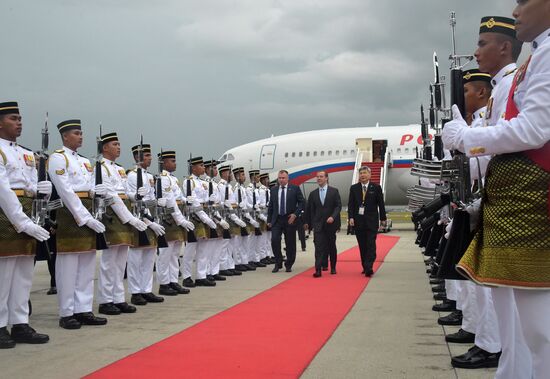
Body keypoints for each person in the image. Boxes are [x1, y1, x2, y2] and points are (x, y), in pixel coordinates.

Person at [443, 2, 550, 377]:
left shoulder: (537, 61)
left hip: (530, 204)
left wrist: (466, 138)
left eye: (523, 1)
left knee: (537, 331)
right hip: (513, 202)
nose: (517, 8)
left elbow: (534, 131)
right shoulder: (533, 60)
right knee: (526, 327)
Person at [47, 119, 108, 329]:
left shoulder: (84, 161)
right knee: (68, 267)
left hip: (87, 210)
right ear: (65, 136)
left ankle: (83, 309)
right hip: (69, 213)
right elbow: (65, 190)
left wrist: (94, 192)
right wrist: (84, 217)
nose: (80, 136)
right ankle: (67, 312)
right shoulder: (57, 158)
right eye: (76, 133)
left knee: (87, 266)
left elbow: (89, 185)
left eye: (81, 133)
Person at [0, 101, 51, 348]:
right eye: (13, 118)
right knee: (3, 273)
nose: (19, 122)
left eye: (20, 118)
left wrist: (42, 188)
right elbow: (4, 191)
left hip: (29, 212)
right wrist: (22, 222)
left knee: (23, 272)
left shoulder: (26, 154)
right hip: (5, 214)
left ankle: (20, 322)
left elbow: (30, 184)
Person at [93, 132, 148, 316]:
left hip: (124, 211)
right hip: (113, 214)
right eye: (115, 144)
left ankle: (118, 298)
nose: (118, 147)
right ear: (105, 147)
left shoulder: (119, 169)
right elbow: (110, 195)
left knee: (120, 260)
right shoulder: (100, 167)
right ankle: (105, 300)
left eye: (118, 144)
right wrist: (130, 218)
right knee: (109, 262)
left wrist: (136, 195)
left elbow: (124, 193)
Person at [126, 143, 168, 302]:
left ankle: (146, 289)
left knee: (149, 257)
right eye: (147, 155)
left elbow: (150, 200)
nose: (150, 158)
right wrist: (148, 221)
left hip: (152, 217)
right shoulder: (131, 175)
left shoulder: (150, 176)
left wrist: (159, 203)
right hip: (140, 219)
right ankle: (135, 292)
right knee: (136, 258)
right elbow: (135, 202)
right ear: (138, 157)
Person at [348, 166, 386, 277]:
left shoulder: (376, 187)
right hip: (358, 222)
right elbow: (351, 205)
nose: (362, 175)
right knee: (362, 245)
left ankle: (369, 266)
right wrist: (351, 217)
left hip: (372, 222)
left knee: (371, 244)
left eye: (365, 173)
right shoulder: (354, 188)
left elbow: (381, 205)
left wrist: (383, 219)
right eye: (361, 173)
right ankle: (365, 266)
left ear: (369, 175)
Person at [304, 171, 342, 277]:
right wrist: (308, 224)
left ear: (326, 178)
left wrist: (333, 217)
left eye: (321, 177)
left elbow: (338, 206)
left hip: (330, 224)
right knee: (319, 247)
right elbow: (310, 210)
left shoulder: (334, 191)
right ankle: (318, 269)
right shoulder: (313, 194)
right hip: (318, 225)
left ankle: (333, 267)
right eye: (317, 177)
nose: (319, 178)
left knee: (331, 247)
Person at [267, 170, 305, 273]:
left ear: (288, 179)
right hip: (277, 219)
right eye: (279, 178)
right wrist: (269, 220)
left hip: (289, 219)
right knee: (274, 240)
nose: (281, 180)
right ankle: (278, 262)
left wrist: (295, 214)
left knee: (290, 243)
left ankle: (289, 263)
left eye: (283, 178)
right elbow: (271, 206)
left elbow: (302, 203)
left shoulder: (295, 189)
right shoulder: (274, 190)